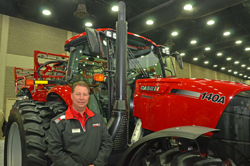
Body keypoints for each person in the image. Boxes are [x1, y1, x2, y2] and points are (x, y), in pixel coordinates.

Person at [48, 81, 113, 166]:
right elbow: (54, 151)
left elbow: (107, 143)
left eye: (85, 94)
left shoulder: (98, 119)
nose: (81, 98)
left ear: (88, 97)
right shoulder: (58, 122)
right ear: (71, 96)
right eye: (78, 94)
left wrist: (97, 164)